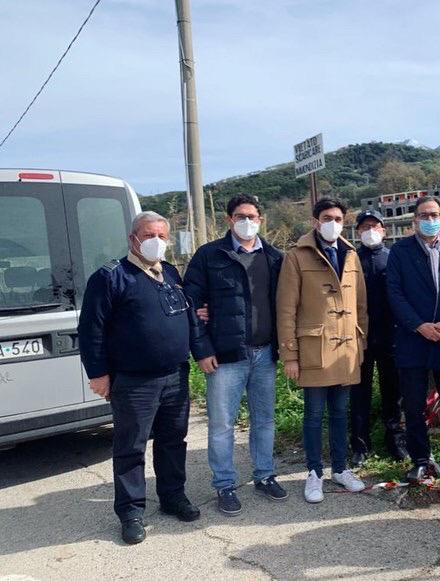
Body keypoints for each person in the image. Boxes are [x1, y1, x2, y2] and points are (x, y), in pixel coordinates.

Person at [78, 211, 200, 545]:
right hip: (134, 382)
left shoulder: (171, 273)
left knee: (173, 441)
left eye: (162, 236)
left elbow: (186, 317)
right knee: (130, 447)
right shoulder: (110, 277)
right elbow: (91, 330)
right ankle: (131, 512)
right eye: (149, 235)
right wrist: (99, 374)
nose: (156, 241)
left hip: (175, 375)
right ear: (133, 238)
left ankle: (173, 497)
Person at [184, 194, 287, 516]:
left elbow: (284, 304)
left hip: (265, 353)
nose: (247, 221)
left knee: (264, 421)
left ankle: (265, 474)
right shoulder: (209, 255)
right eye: (240, 216)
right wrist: (201, 350)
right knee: (222, 425)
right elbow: (190, 305)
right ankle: (225, 484)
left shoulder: (274, 257)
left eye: (252, 216)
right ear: (229, 220)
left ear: (261, 219)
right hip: (225, 357)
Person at [276, 197, 368, 503]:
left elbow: (361, 306)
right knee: (314, 414)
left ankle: (340, 469)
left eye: (339, 218)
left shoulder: (351, 254)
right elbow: (286, 309)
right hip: (314, 349)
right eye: (327, 217)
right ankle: (314, 472)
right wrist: (290, 355)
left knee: (341, 413)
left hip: (346, 349)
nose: (333, 223)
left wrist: (361, 344)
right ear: (315, 221)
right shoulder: (297, 256)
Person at [386, 195, 440, 483]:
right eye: (424, 215)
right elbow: (395, 294)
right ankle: (420, 461)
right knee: (413, 406)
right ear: (414, 220)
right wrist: (419, 325)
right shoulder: (400, 252)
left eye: (434, 214)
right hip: (413, 340)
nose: (430, 219)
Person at [349, 209, 408, 466]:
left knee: (393, 392)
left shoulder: (394, 258)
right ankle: (360, 446)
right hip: (358, 337)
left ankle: (395, 441)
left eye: (374, 225)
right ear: (357, 232)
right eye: (364, 227)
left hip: (391, 335)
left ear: (383, 230)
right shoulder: (349, 260)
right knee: (358, 393)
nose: (370, 230)